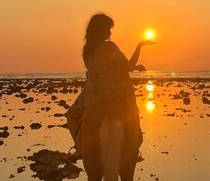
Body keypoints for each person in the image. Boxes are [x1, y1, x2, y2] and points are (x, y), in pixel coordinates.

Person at [66, 13, 155, 157]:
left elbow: (104, 69)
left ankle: (80, 147)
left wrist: (135, 67)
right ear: (101, 30)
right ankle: (134, 149)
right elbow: (128, 66)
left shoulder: (87, 50)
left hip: (94, 96)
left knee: (71, 115)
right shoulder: (109, 47)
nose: (109, 32)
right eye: (108, 29)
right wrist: (140, 45)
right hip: (118, 94)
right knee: (134, 115)